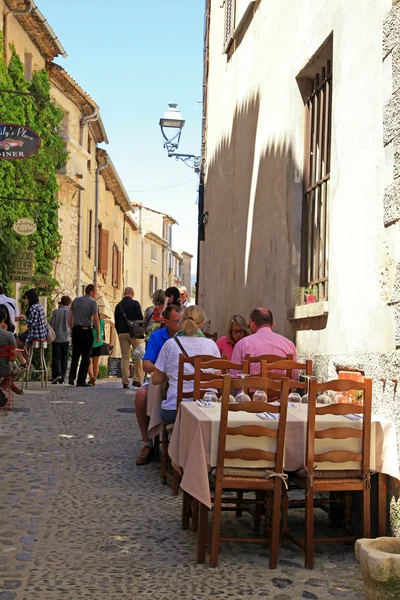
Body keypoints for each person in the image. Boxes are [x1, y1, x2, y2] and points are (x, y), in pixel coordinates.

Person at [152, 305, 220, 425]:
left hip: (175, 410)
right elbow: (217, 377)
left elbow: (156, 379)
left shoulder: (171, 344)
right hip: (208, 408)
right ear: (202, 323)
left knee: (164, 410)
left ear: (182, 322)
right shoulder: (211, 345)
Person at [135, 304, 183, 465]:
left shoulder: (188, 338)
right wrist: (165, 370)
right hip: (160, 381)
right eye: (177, 321)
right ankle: (146, 443)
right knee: (141, 395)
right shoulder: (158, 337)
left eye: (183, 321)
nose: (181, 325)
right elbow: (146, 365)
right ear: (167, 322)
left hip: (182, 384)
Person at [231, 307, 297, 374]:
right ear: (272, 324)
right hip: (282, 384)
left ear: (252, 323)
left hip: (252, 384)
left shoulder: (242, 344)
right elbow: (294, 377)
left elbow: (234, 376)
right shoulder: (289, 345)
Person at [68, 284, 100, 387]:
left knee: (75, 355)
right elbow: (95, 319)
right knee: (86, 356)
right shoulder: (93, 303)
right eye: (95, 292)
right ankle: (81, 380)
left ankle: (71, 378)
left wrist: (71, 328)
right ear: (91, 292)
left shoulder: (76, 301)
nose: (96, 294)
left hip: (76, 330)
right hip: (86, 330)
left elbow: (70, 316)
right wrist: (98, 334)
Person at [114, 287, 144, 389]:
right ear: (132, 293)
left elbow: (116, 321)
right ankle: (137, 380)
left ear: (124, 293)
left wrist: (119, 332)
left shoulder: (118, 306)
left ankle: (125, 381)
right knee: (138, 356)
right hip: (134, 333)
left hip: (122, 332)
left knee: (125, 357)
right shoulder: (135, 304)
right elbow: (140, 318)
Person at [16, 289, 47, 364]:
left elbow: (32, 323)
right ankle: (28, 364)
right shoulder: (39, 306)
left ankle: (25, 364)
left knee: (15, 343)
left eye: (26, 298)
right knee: (21, 343)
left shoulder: (33, 308)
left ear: (30, 298)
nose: (25, 300)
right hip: (42, 333)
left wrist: (24, 317)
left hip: (35, 334)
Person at [0, 307, 23, 404]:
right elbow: (12, 357)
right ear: (3, 320)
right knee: (16, 369)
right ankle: (1, 389)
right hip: (4, 368)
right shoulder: (9, 335)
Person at [49, 295, 72, 384]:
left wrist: (50, 339)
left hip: (56, 338)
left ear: (61, 302)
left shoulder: (55, 312)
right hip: (66, 338)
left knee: (56, 357)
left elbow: (52, 326)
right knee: (64, 358)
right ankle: (62, 377)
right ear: (69, 303)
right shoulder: (70, 312)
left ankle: (56, 375)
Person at [87, 310, 104, 386]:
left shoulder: (89, 321)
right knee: (96, 363)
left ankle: (91, 377)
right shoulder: (102, 321)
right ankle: (94, 379)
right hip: (98, 343)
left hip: (89, 343)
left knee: (89, 362)